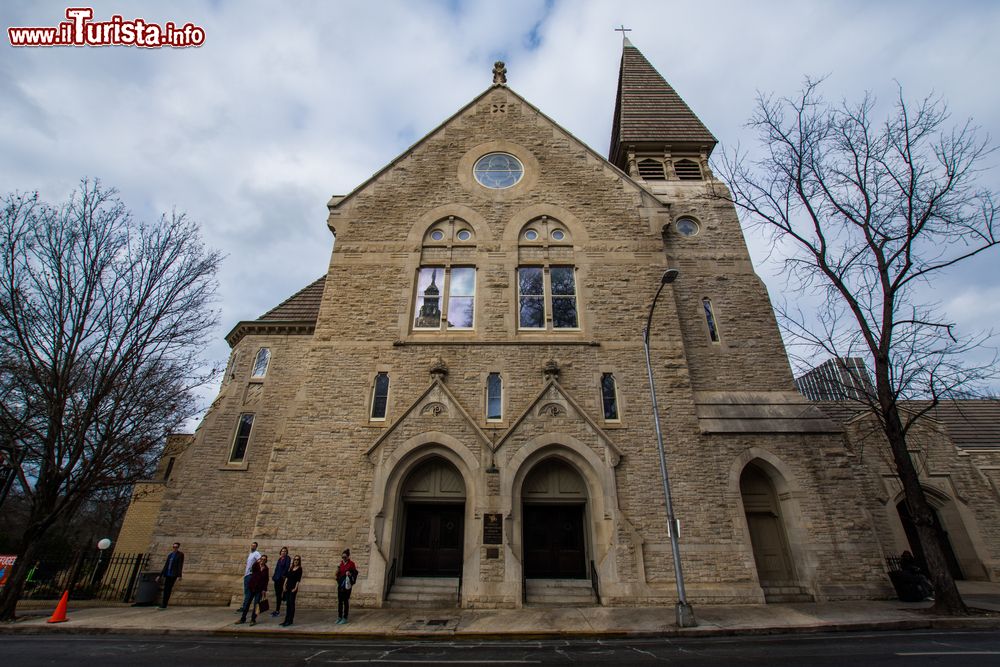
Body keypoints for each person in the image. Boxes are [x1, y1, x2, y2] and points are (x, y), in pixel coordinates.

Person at [236, 554, 268, 626]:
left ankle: (253, 620)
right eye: (261, 559)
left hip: (259, 590)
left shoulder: (266, 569)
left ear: (266, 561)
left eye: (264, 559)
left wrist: (264, 590)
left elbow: (266, 580)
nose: (262, 560)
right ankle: (242, 619)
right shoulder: (256, 566)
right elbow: (252, 568)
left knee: (256, 605)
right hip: (252, 588)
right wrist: (257, 562)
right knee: (247, 604)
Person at [155, 542, 184, 609]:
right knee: (166, 589)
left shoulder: (180, 555)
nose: (174, 548)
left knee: (168, 589)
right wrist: (160, 575)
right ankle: (164, 604)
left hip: (173, 574)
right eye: (173, 547)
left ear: (178, 547)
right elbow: (165, 566)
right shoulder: (170, 555)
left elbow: (180, 565)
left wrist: (179, 575)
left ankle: (164, 604)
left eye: (176, 547)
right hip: (167, 574)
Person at [335, 548, 358, 624]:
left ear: (348, 557)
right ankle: (339, 617)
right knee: (340, 601)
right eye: (342, 557)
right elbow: (337, 574)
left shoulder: (351, 564)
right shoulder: (341, 564)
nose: (343, 559)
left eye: (345, 557)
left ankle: (345, 617)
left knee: (345, 601)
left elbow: (355, 573)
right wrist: (337, 571)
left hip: (347, 585)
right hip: (340, 584)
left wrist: (350, 573)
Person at [238, 541, 261, 615]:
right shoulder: (251, 554)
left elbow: (260, 560)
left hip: (250, 575)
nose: (252, 547)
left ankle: (245, 608)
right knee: (246, 592)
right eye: (252, 545)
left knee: (248, 592)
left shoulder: (256, 553)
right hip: (246, 575)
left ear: (256, 547)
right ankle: (244, 606)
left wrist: (253, 569)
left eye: (254, 546)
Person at [280, 555, 303, 627]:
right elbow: (287, 577)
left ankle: (290, 620)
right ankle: (286, 620)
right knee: (288, 605)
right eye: (295, 559)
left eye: (297, 559)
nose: (296, 561)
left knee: (291, 604)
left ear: (299, 561)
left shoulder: (299, 569)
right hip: (287, 588)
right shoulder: (291, 568)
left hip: (293, 588)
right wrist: (284, 585)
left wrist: (295, 588)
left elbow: (298, 580)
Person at [271, 546, 291, 617]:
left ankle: (278, 611)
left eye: (285, 551)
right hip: (276, 579)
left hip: (281, 579)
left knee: (280, 595)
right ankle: (277, 610)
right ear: (280, 552)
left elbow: (287, 567)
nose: (283, 552)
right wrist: (274, 576)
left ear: (286, 552)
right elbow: (276, 568)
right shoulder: (280, 559)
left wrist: (282, 576)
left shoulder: (287, 558)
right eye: (282, 551)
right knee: (277, 595)